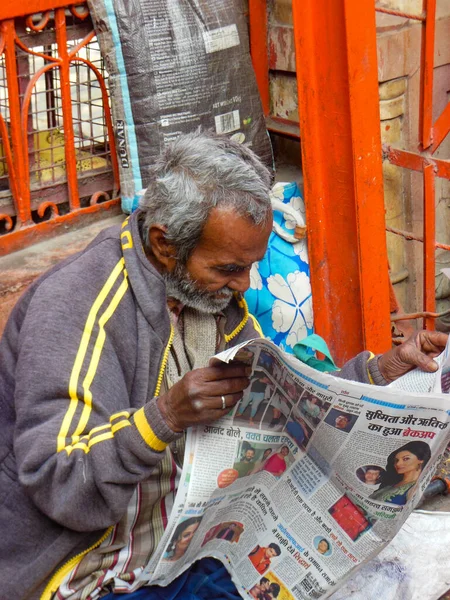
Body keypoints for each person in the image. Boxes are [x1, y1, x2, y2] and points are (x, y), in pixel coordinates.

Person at [0, 128, 447, 600]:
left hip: (181, 541)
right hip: (83, 569)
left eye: (250, 265)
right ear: (165, 244)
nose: (244, 284)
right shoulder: (77, 307)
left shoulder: (212, 300)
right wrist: (164, 418)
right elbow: (58, 478)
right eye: (229, 268)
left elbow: (292, 404)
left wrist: (381, 373)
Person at [370, 441, 431, 505]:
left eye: (405, 459)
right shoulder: (390, 484)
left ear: (421, 460)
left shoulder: (418, 486)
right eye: (396, 460)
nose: (398, 464)